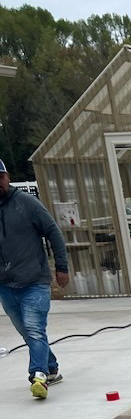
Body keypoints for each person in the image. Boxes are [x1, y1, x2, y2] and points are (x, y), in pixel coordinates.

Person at [0, 158, 69, 399]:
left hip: (34, 281)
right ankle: (51, 368)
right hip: (5, 284)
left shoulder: (27, 203)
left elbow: (53, 232)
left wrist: (62, 267)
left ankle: (37, 376)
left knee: (34, 329)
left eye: (0, 177)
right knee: (27, 332)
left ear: (7, 177)